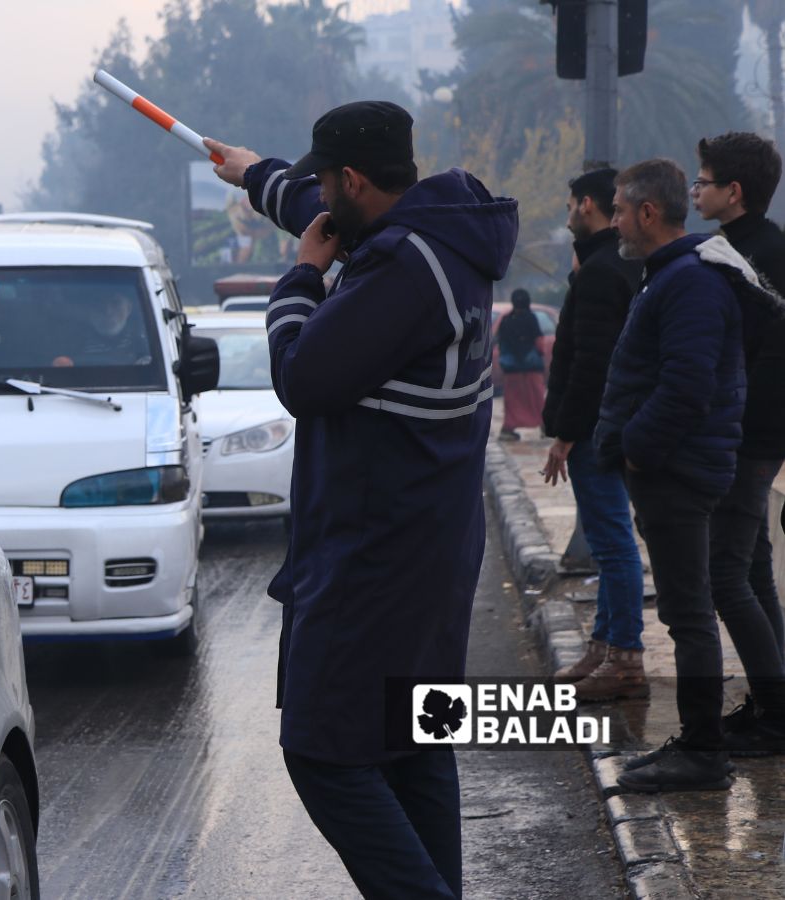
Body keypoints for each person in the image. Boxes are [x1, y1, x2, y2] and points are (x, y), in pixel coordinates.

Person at [206, 99, 517, 899]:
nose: (321, 201)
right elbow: (324, 215)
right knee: (414, 745)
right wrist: (256, 174)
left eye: (324, 183)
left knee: (325, 753)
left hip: (376, 563)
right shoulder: (440, 233)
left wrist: (299, 282)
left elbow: (305, 378)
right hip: (433, 552)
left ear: (353, 178)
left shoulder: (404, 270)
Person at [594, 159, 746, 793]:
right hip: (673, 468)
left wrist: (636, 450)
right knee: (686, 613)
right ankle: (695, 741)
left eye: (622, 211)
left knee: (688, 617)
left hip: (678, 472)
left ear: (647, 214)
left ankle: (704, 754)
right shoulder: (673, 275)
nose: (618, 223)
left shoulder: (688, 282)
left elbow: (687, 383)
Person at [691, 132, 785, 754]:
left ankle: (776, 718)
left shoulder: (754, 256)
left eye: (704, 179)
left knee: (724, 575)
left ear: (735, 192)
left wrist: (736, 433)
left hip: (751, 434)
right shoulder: (737, 247)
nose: (695, 189)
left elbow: (763, 357)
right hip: (750, 431)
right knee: (751, 569)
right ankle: (772, 703)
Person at [541, 168, 648, 702]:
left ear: (588, 205)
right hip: (608, 427)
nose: (566, 216)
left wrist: (565, 434)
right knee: (611, 544)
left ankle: (624, 658)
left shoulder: (604, 271)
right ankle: (604, 645)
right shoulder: (610, 265)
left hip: (597, 432)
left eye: (569, 205)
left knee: (613, 545)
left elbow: (591, 364)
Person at [496, 289, 546, 439]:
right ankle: (544, 427)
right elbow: (540, 344)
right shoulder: (531, 318)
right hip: (531, 369)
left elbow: (501, 344)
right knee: (537, 398)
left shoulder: (505, 320)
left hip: (512, 371)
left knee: (512, 400)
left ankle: (508, 429)